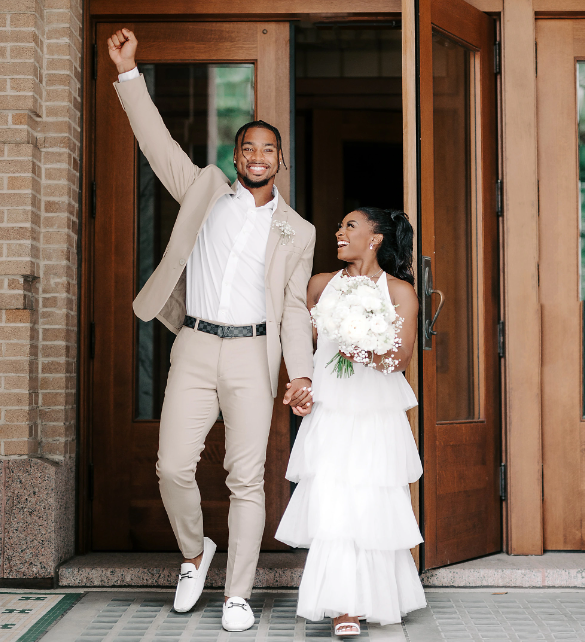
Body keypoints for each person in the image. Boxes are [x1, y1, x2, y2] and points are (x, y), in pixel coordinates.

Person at [107, 28, 316, 632]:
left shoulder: (296, 231)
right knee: (172, 465)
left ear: (281, 161)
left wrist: (298, 372)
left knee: (246, 478)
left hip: (254, 352)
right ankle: (197, 556)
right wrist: (127, 73)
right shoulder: (204, 191)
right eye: (247, 148)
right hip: (195, 345)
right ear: (235, 156)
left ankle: (238, 595)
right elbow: (156, 143)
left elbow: (294, 309)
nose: (257, 157)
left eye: (267, 150)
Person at [275, 207, 426, 634]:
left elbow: (400, 358)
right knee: (333, 501)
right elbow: (301, 345)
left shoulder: (398, 291)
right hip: (333, 407)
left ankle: (372, 597)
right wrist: (301, 387)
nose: (339, 233)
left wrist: (360, 348)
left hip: (374, 410)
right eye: (340, 226)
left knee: (370, 499)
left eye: (349, 226)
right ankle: (344, 604)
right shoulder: (320, 285)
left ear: (375, 238)